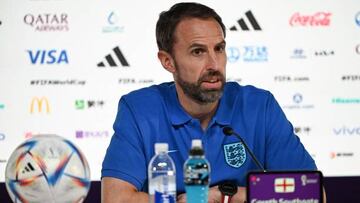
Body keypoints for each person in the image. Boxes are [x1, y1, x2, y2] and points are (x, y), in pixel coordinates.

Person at [101, 2, 319, 203]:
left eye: (219, 49)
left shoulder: (260, 106)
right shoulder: (139, 110)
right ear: (168, 61)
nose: (214, 64)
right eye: (198, 52)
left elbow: (312, 195)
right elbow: (115, 199)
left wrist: (227, 196)